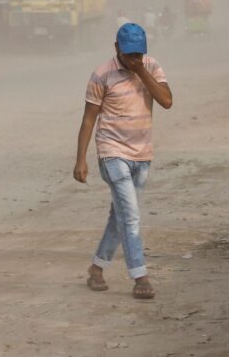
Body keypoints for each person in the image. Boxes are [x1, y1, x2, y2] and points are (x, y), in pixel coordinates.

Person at [73, 23, 173, 300]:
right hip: (112, 153)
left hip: (142, 155)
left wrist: (141, 70)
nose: (134, 60)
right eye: (129, 56)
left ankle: (97, 268)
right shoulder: (102, 75)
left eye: (138, 55)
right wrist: (81, 159)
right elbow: (88, 119)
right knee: (130, 216)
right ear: (117, 48)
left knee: (119, 216)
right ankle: (140, 276)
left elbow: (166, 100)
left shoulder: (150, 67)